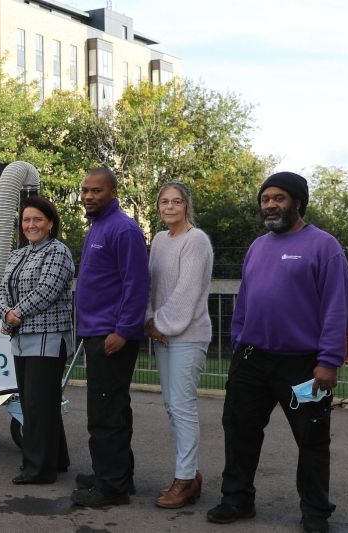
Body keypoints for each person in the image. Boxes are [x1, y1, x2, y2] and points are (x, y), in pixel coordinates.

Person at [206, 172, 348, 533]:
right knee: (239, 430)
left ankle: (315, 510)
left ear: (297, 203)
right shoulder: (258, 246)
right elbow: (246, 301)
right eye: (265, 198)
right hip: (252, 359)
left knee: (312, 437)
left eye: (279, 198)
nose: (270, 204)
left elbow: (337, 308)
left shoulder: (324, 246)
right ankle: (237, 498)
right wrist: (239, 341)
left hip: (302, 364)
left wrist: (329, 361)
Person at [70, 167, 150, 507]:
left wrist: (123, 331)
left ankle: (111, 487)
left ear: (113, 194)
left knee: (104, 412)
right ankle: (116, 474)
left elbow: (137, 284)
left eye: (96, 191)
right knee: (112, 407)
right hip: (96, 332)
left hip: (111, 336)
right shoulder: (98, 226)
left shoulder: (123, 229)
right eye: (85, 190)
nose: (88, 196)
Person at [0, 195, 73, 485]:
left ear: (50, 223)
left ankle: (38, 470)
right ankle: (57, 460)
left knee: (40, 404)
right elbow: (1, 289)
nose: (31, 225)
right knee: (35, 403)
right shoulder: (18, 254)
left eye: (37, 219)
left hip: (48, 339)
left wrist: (15, 313)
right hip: (21, 338)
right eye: (27, 220)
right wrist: (6, 314)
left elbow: (48, 290)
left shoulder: (58, 251)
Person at [146, 182, 213, 508]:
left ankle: (185, 479)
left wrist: (158, 324)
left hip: (188, 334)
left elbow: (186, 292)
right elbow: (150, 285)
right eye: (164, 202)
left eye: (176, 201)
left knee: (183, 406)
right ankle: (191, 474)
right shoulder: (159, 240)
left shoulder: (196, 241)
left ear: (187, 206)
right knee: (173, 407)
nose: (169, 206)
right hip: (162, 333)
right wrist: (150, 321)